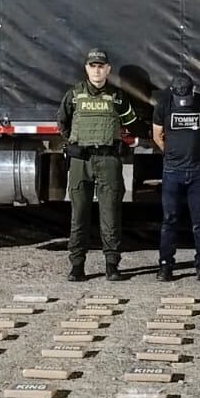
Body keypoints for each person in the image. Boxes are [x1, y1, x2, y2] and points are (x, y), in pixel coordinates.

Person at [58, 47, 139, 281]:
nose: (97, 70)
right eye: (92, 66)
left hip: (108, 159)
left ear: (108, 70)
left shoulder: (117, 96)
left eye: (101, 66)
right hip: (81, 160)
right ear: (86, 68)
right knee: (79, 215)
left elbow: (132, 123)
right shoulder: (74, 95)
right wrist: (73, 142)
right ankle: (77, 266)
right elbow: (62, 122)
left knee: (111, 215)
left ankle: (112, 265)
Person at [152, 72, 200, 282]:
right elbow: (156, 135)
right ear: (172, 92)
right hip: (172, 171)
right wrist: (171, 153)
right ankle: (165, 265)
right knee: (169, 220)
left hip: (197, 171)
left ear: (194, 90)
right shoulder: (163, 105)